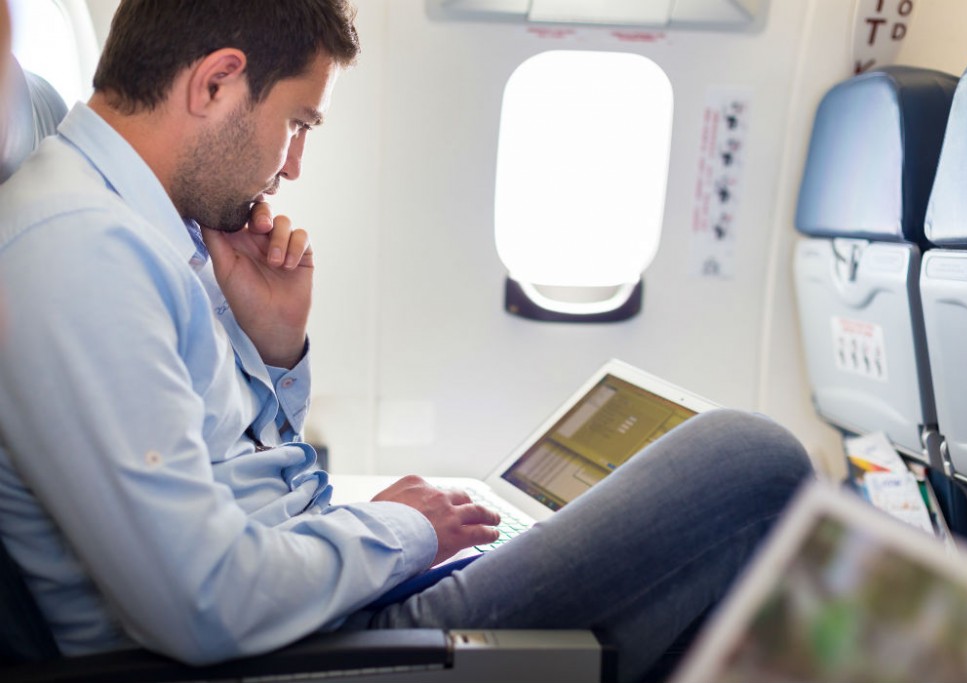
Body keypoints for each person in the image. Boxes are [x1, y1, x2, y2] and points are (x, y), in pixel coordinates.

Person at [0, 1, 813, 681]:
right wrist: (404, 531)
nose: (292, 167)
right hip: (295, 654)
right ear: (216, 82)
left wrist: (276, 354)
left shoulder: (147, 221)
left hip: (319, 609)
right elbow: (200, 599)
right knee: (750, 461)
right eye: (297, 123)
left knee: (707, 594)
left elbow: (244, 477)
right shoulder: (80, 249)